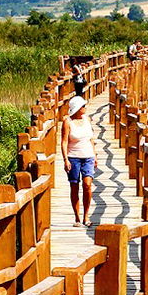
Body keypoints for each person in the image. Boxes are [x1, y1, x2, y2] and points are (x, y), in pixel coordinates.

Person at [65, 94, 96, 226]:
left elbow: (91, 139)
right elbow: (64, 142)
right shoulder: (68, 122)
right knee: (74, 186)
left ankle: (86, 216)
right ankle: (77, 217)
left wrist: (95, 155)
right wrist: (65, 159)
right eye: (83, 106)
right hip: (73, 157)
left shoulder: (87, 119)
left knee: (87, 184)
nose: (85, 107)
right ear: (77, 108)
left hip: (88, 156)